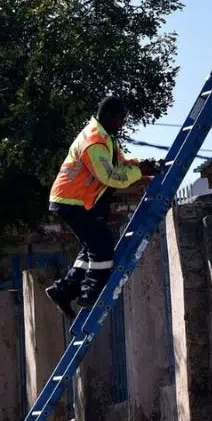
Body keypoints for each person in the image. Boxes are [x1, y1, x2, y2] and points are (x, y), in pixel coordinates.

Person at [44, 96, 158, 318]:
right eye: (120, 119)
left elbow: (119, 164)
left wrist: (140, 166)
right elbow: (110, 176)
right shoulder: (95, 141)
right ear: (109, 116)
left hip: (73, 200)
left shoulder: (104, 136)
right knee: (102, 244)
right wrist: (139, 173)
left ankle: (63, 290)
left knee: (90, 247)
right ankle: (90, 293)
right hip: (71, 201)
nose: (121, 124)